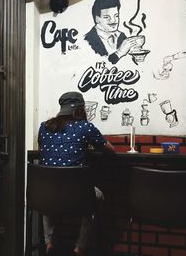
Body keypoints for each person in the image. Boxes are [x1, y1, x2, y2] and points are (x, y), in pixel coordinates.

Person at [38, 91, 115, 256]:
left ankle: (49, 243)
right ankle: (80, 247)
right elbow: (110, 150)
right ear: (80, 109)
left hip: (47, 193)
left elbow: (43, 151)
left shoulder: (44, 127)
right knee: (96, 196)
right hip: (76, 195)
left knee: (47, 194)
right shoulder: (85, 127)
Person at [84, 0, 137, 64]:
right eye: (106, 17)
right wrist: (119, 52)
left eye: (116, 16)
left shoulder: (122, 36)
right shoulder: (88, 40)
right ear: (97, 19)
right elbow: (105, 63)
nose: (113, 21)